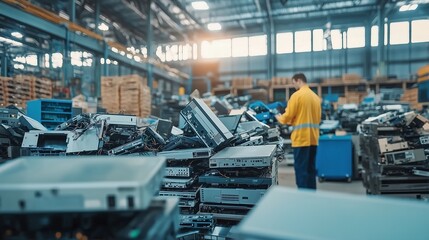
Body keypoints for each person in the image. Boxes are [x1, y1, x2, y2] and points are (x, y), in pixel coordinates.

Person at [276, 73, 321, 190]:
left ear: (299, 80)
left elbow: (288, 115)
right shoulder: (315, 97)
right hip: (313, 139)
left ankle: (302, 198)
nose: (293, 85)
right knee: (310, 170)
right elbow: (316, 119)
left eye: (293, 83)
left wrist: (279, 118)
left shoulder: (297, 96)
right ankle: (311, 195)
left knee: (301, 171)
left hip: (301, 139)